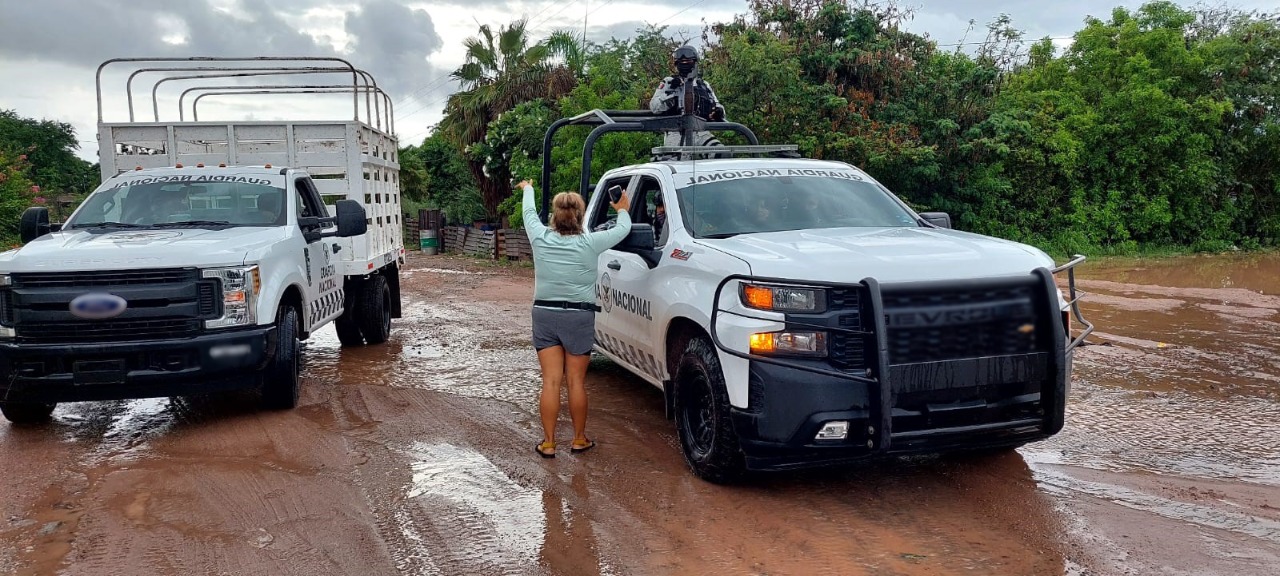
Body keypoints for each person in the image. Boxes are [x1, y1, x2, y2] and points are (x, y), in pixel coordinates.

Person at [520, 179, 632, 458]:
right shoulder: (592, 242)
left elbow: (528, 213)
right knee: (576, 383)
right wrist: (622, 208)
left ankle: (548, 443)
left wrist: (529, 188)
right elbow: (624, 228)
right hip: (579, 316)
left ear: (554, 216)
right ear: (581, 216)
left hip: (545, 313)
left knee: (551, 382)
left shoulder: (540, 237)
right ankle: (579, 439)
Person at [650, 45, 726, 152]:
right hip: (675, 134)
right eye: (682, 62)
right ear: (677, 65)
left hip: (700, 132)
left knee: (721, 153)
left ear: (695, 62)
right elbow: (654, 106)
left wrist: (718, 112)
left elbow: (718, 107)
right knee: (678, 164)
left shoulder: (703, 85)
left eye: (688, 61)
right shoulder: (669, 82)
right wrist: (672, 94)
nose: (685, 64)